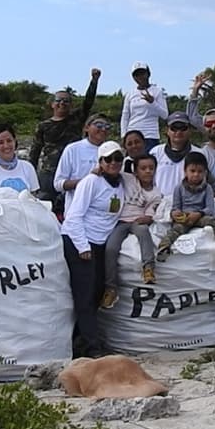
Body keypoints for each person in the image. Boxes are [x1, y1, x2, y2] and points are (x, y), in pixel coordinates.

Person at [60, 141, 126, 357]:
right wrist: (82, 246)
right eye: (108, 159)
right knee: (85, 294)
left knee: (99, 291)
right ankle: (92, 347)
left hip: (101, 244)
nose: (114, 163)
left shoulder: (122, 183)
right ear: (101, 162)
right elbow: (74, 216)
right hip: (80, 241)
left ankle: (78, 338)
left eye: (117, 158)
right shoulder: (90, 182)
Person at [29, 69, 101, 211]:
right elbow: (35, 151)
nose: (62, 103)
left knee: (71, 208)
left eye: (66, 101)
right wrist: (30, 176)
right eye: (59, 100)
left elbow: (88, 103)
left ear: (71, 105)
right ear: (52, 104)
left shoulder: (76, 119)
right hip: (49, 172)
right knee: (45, 208)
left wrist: (94, 81)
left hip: (72, 173)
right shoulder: (43, 126)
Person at [102, 153, 163, 307]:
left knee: (144, 233)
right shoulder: (128, 179)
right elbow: (112, 169)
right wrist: (97, 169)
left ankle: (148, 268)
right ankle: (111, 287)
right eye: (143, 168)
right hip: (121, 222)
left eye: (151, 168)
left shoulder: (156, 193)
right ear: (135, 171)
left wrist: (146, 219)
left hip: (138, 221)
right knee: (110, 248)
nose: (148, 171)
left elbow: (151, 213)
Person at [156, 151, 215, 261]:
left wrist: (198, 214)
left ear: (205, 173)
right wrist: (175, 214)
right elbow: (176, 206)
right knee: (176, 229)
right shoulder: (179, 188)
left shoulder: (207, 188)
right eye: (192, 171)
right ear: (185, 171)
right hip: (185, 217)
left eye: (200, 171)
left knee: (214, 222)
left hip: (200, 216)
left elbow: (210, 209)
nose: (196, 174)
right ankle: (164, 247)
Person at [55, 113, 113, 212]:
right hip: (76, 211)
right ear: (86, 128)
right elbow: (58, 184)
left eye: (107, 127)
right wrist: (87, 181)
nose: (103, 129)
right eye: (99, 125)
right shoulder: (73, 149)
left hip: (103, 214)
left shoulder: (112, 151)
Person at [150, 111, 203, 197]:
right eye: (174, 128)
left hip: (188, 204)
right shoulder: (155, 152)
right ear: (167, 131)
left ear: (190, 130)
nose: (178, 132)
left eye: (183, 128)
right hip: (159, 203)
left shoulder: (199, 153)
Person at [121, 62, 168, 150]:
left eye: (142, 73)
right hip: (133, 134)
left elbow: (165, 115)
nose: (140, 77)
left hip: (150, 135)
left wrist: (153, 102)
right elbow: (125, 116)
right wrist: (124, 135)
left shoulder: (157, 92)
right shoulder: (130, 94)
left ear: (148, 74)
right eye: (137, 75)